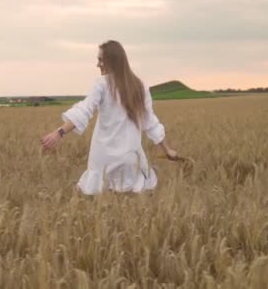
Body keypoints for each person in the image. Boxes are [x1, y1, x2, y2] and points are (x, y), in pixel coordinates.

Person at [41, 40, 178, 195]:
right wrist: (167, 150)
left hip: (103, 159)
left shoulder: (102, 84)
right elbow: (150, 122)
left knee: (96, 202)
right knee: (129, 205)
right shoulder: (139, 86)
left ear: (112, 60)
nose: (97, 64)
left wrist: (59, 132)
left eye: (100, 60)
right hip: (130, 158)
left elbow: (84, 110)